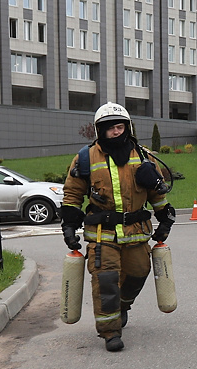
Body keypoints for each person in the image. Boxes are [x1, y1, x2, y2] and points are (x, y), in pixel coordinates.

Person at [60, 103, 176, 352]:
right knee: (106, 280)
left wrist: (165, 219)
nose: (115, 132)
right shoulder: (85, 158)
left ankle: (122, 306)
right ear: (99, 130)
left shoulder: (143, 157)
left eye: (119, 126)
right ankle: (110, 331)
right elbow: (72, 194)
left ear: (127, 127)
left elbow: (157, 194)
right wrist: (69, 226)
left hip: (137, 233)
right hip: (102, 235)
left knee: (138, 272)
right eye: (110, 128)